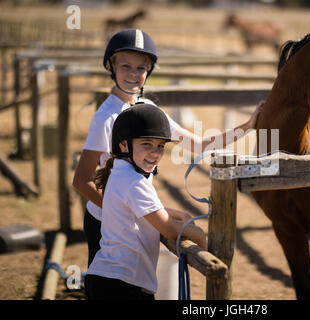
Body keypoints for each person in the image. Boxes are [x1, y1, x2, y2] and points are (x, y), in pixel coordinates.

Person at [72, 28, 263, 267]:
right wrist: (121, 210)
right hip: (106, 220)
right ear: (110, 68)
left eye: (141, 67)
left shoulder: (148, 108)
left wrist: (247, 126)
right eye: (125, 66)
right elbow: (81, 181)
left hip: (136, 211)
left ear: (148, 71)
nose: (134, 74)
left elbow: (199, 144)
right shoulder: (105, 118)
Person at [84, 103, 207, 300]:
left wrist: (181, 215)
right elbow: (168, 229)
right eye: (146, 144)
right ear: (124, 145)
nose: (155, 153)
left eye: (160, 146)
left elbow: (143, 210)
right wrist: (200, 236)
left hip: (113, 280)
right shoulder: (133, 181)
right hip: (122, 286)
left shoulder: (120, 171)